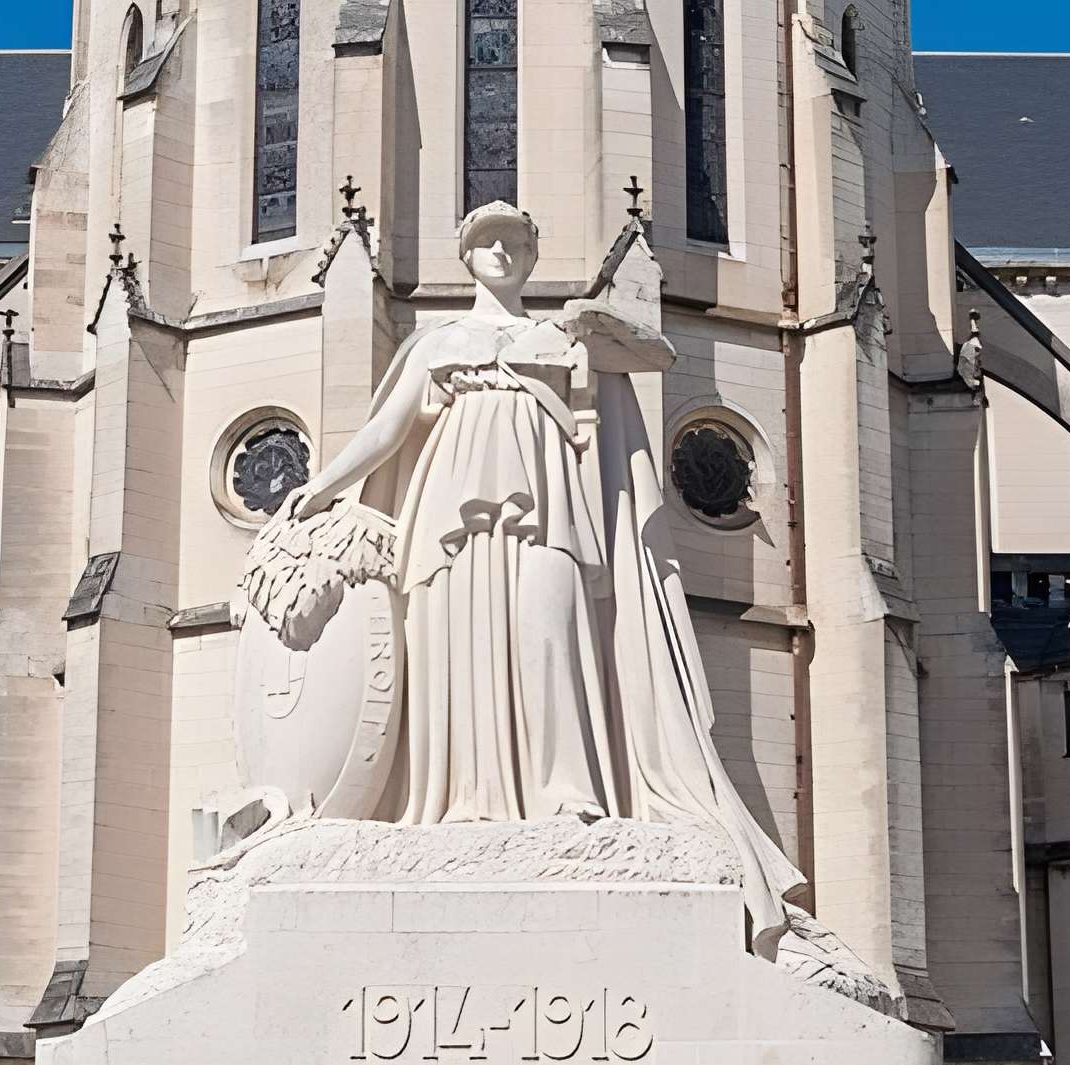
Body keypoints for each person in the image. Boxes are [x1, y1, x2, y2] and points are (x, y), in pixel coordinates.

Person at [288, 200, 804, 943]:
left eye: (513, 241)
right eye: (484, 241)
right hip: (451, 517)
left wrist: (594, 323)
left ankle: (567, 792)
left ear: (532, 256)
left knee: (549, 634)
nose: (499, 252)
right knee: (457, 652)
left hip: (550, 511)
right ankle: (463, 798)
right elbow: (386, 428)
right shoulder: (439, 342)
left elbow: (656, 356)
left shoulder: (558, 337)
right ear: (463, 257)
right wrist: (326, 485)